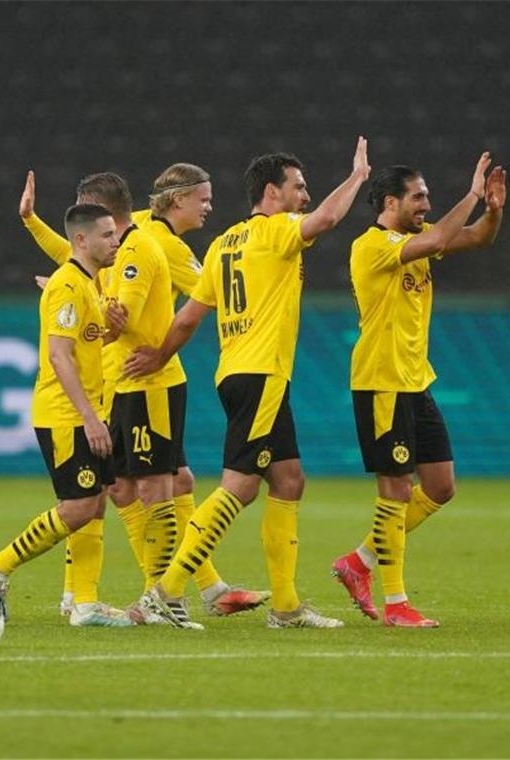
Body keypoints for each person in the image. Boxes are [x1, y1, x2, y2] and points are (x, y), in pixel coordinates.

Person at [125, 137, 372, 629]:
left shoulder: (222, 244)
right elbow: (324, 220)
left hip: (239, 374)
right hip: (260, 375)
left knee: (288, 479)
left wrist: (158, 353)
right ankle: (165, 592)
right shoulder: (275, 231)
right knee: (239, 488)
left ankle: (285, 608)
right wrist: (358, 178)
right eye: (298, 187)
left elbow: (189, 317)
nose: (305, 195)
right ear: (271, 193)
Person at [19, 168, 269, 622]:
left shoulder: (147, 242)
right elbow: (77, 256)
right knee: (126, 487)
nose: (209, 206)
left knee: (152, 485)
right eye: (203, 198)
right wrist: (36, 230)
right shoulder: (134, 235)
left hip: (137, 378)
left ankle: (169, 590)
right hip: (125, 381)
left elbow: (194, 299)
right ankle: (159, 591)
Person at [331, 155, 507, 627]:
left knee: (441, 486)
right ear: (391, 202)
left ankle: (360, 561)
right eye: (419, 196)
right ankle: (397, 604)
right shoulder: (371, 246)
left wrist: (491, 210)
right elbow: (442, 236)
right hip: (381, 380)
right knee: (396, 491)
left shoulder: (416, 242)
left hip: (415, 379)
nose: (426, 204)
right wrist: (469, 195)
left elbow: (478, 238)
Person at [0, 203, 133, 627]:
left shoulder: (90, 284)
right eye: (106, 235)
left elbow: (89, 341)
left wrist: (113, 327)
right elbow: (60, 357)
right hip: (66, 415)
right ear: (81, 240)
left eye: (115, 234)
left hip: (88, 411)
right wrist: (88, 417)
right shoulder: (67, 285)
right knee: (78, 507)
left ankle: (84, 604)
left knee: (96, 503)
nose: (115, 241)